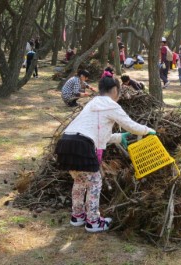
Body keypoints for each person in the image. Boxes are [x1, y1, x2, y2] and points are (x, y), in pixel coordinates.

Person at [55, 76, 156, 232]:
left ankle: (77, 216)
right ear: (115, 90)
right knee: (94, 182)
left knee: (80, 181)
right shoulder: (111, 105)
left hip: (66, 142)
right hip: (82, 145)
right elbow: (131, 126)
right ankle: (93, 222)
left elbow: (97, 132)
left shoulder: (93, 103)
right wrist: (148, 130)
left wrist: (117, 138)